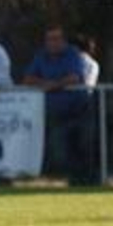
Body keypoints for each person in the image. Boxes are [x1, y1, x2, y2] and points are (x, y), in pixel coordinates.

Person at [22, 25, 92, 184]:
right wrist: (46, 83)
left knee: (84, 145)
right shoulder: (41, 56)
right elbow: (27, 80)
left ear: (63, 41)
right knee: (59, 150)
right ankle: (73, 178)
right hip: (55, 113)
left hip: (79, 110)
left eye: (56, 39)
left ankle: (86, 179)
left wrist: (52, 85)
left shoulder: (73, 54)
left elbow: (74, 78)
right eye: (49, 39)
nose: (53, 43)